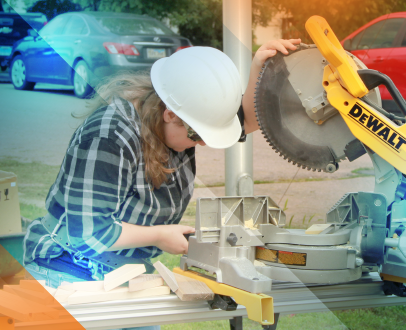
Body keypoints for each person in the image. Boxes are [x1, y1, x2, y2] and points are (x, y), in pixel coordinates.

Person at [22, 40, 300, 300]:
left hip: (127, 269)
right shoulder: (109, 136)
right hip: (68, 268)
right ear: (170, 114)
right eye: (198, 135)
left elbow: (244, 122)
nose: (203, 143)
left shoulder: (181, 114)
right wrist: (159, 235)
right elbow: (89, 233)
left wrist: (258, 68)